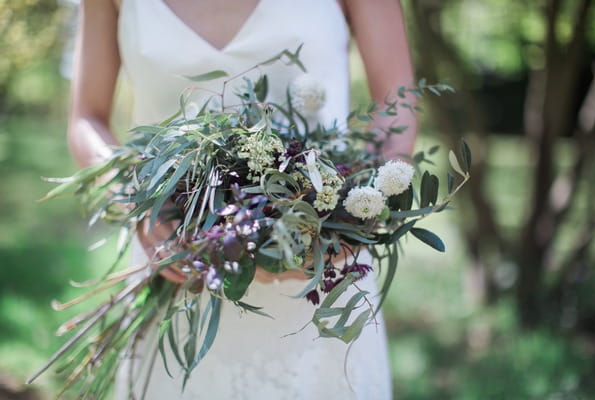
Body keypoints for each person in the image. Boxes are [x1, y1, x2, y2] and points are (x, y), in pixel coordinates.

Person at [68, 0, 417, 398]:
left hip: (324, 268)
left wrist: (356, 217)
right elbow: (86, 118)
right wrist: (136, 200)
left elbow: (397, 109)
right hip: (179, 267)